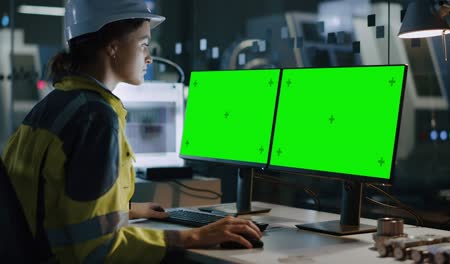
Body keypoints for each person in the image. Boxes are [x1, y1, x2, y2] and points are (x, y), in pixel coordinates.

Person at [1, 0, 261, 263]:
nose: (149, 56)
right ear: (113, 47)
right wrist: (193, 237)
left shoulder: (52, 105)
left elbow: (50, 206)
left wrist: (125, 211)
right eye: (144, 44)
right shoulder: (96, 118)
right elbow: (97, 248)